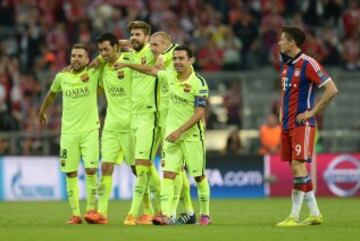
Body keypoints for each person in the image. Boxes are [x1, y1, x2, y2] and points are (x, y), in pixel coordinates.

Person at [119, 46, 211, 226]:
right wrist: (128, 64)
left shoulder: (199, 83)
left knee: (199, 176)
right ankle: (167, 215)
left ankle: (206, 214)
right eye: (175, 59)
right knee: (168, 175)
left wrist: (180, 131)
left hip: (191, 136)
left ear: (190, 60)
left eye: (181, 59)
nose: (177, 62)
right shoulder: (168, 76)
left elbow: (199, 113)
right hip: (171, 136)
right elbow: (150, 70)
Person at [276, 26, 338, 227]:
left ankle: (293, 216)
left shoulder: (308, 63)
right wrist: (281, 111)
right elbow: (287, 94)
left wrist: (312, 112)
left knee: (297, 166)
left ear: (292, 42)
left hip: (303, 123)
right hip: (287, 124)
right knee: (298, 168)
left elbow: (331, 89)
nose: (279, 43)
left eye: (282, 40)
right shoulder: (286, 65)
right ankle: (315, 214)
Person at [38, 43, 100, 224]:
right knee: (70, 172)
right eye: (74, 55)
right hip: (68, 132)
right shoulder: (62, 77)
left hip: (90, 130)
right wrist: (42, 111)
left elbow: (107, 55)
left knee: (90, 170)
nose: (76, 59)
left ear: (87, 59)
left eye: (81, 56)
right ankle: (75, 214)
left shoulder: (93, 74)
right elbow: (51, 94)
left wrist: (96, 62)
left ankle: (90, 209)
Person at [83, 33, 135, 225]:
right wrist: (98, 59)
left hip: (132, 125)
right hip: (111, 125)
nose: (103, 53)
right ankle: (101, 212)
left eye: (106, 49)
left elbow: (145, 51)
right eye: (100, 50)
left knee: (138, 169)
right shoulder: (103, 66)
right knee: (105, 166)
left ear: (115, 47)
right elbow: (88, 72)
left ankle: (148, 210)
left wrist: (124, 44)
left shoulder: (129, 60)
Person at [122, 21, 162, 226]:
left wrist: (128, 63)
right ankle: (162, 207)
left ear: (148, 38)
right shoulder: (132, 51)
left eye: (138, 34)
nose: (134, 37)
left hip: (149, 115)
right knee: (138, 167)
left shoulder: (153, 52)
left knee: (143, 166)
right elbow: (119, 44)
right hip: (132, 117)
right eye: (132, 34)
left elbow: (154, 69)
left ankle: (134, 213)